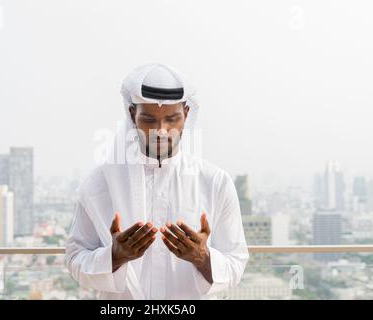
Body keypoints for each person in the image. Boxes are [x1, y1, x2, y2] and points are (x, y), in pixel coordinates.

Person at [65, 63, 249, 299]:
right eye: (149, 120)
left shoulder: (216, 183)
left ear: (186, 114)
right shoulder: (99, 184)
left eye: (172, 119)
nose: (161, 130)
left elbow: (236, 264)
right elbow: (75, 259)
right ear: (133, 115)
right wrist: (115, 256)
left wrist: (202, 258)